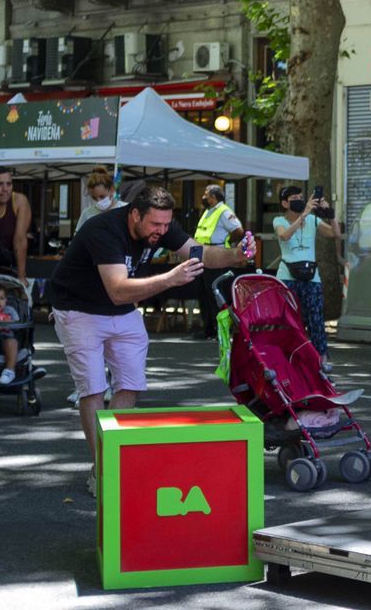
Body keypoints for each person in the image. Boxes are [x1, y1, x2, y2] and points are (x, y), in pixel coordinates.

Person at [47, 185, 242, 493]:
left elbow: (200, 252)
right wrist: (171, 278)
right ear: (135, 214)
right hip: (78, 309)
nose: (161, 232)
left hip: (120, 310)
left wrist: (236, 255)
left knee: (131, 382)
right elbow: (118, 288)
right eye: (155, 225)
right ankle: (103, 470)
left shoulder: (162, 225)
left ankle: (115, 453)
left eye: (166, 226)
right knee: (94, 387)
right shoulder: (104, 230)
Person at [273, 185, 341, 367]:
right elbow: (284, 236)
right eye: (294, 198)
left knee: (316, 319)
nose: (300, 200)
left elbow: (336, 234)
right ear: (285, 203)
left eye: (301, 197)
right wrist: (303, 214)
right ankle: (288, 359)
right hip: (287, 278)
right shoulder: (279, 220)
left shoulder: (313, 220)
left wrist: (331, 214)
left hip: (312, 278)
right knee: (288, 320)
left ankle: (322, 361)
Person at [192, 185, 244, 339]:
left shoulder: (224, 211)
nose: (204, 197)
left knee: (216, 293)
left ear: (214, 197)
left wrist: (225, 242)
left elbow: (239, 231)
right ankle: (208, 329)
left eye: (206, 194)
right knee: (203, 293)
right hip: (201, 254)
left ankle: (221, 330)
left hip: (216, 255)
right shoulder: (208, 211)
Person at [74, 167, 118, 232]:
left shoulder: (124, 209)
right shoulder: (87, 213)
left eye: (102, 196)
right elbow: (77, 238)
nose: (99, 201)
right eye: (94, 198)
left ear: (112, 190)